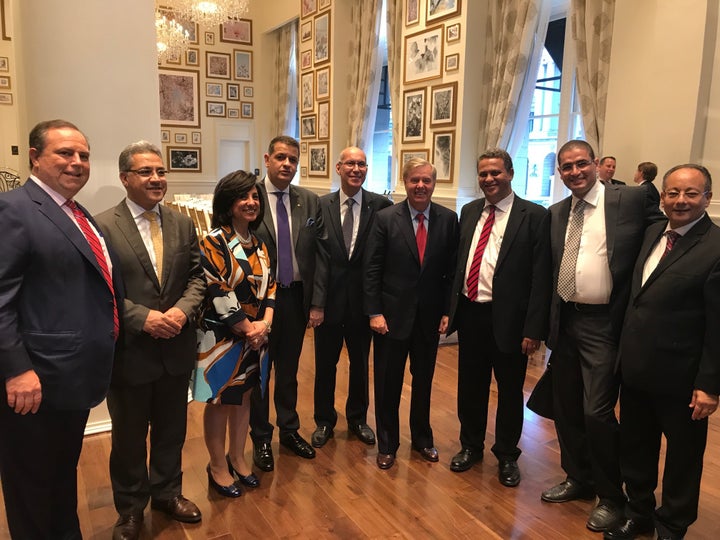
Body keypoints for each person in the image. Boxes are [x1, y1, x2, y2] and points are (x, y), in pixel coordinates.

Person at [0, 119, 118, 539]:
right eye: (65, 153)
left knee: (60, 477)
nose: (77, 162)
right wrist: (16, 369)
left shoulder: (77, 212)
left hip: (71, 377)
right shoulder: (13, 209)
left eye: (83, 155)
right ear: (35, 157)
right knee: (31, 486)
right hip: (33, 383)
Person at [542, 140, 663, 532]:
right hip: (566, 320)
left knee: (596, 411)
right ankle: (578, 477)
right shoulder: (557, 212)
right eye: (566, 167)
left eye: (581, 164)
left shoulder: (626, 200)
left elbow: (662, 233)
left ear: (595, 164)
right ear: (558, 173)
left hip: (605, 325)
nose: (574, 172)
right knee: (566, 407)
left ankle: (611, 496)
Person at [95, 141, 205, 540]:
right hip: (131, 352)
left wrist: (181, 311)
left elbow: (198, 277)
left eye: (160, 171)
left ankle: (167, 493)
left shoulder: (182, 222)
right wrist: (142, 318)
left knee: (171, 430)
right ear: (125, 178)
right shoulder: (102, 226)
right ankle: (129, 509)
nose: (156, 178)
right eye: (145, 172)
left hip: (176, 347)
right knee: (127, 436)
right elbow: (99, 289)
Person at [604, 165, 720, 540]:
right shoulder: (654, 232)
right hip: (637, 370)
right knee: (636, 448)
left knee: (683, 458)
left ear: (708, 197)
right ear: (662, 196)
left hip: (684, 379)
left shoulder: (716, 248)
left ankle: (672, 523)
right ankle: (638, 512)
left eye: (690, 193)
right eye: (672, 193)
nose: (680, 201)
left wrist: (709, 385)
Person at [446, 149, 551, 487]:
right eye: (483, 174)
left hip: (511, 321)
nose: (489, 179)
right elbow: (460, 263)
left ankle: (506, 454)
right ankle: (470, 446)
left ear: (510, 173)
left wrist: (534, 328)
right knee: (470, 388)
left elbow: (541, 277)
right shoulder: (469, 210)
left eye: (495, 173)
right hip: (471, 313)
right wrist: (451, 312)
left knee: (509, 392)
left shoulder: (534, 215)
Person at [364, 158, 459, 470]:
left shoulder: (448, 219)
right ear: (404, 182)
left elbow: (451, 272)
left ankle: (422, 439)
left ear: (435, 184)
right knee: (388, 383)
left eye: (427, 180)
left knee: (424, 382)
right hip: (390, 319)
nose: (421, 186)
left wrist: (448, 312)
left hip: (428, 319)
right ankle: (388, 444)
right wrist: (374, 312)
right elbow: (372, 269)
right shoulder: (385, 218)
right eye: (414, 180)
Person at [195, 170, 275, 497]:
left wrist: (265, 325)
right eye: (243, 196)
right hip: (224, 338)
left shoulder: (258, 244)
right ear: (229, 203)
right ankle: (216, 465)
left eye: (255, 196)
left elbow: (271, 289)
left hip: (257, 337)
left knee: (243, 398)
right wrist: (246, 328)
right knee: (219, 401)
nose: (251, 202)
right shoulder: (212, 240)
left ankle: (238, 458)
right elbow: (218, 290)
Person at [249, 135, 327, 471]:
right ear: (267, 159)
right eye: (280, 157)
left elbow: (321, 256)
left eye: (293, 160)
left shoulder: (309, 201)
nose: (287, 165)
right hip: (259, 301)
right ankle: (261, 437)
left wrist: (317, 302)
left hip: (295, 297)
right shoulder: (249, 197)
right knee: (260, 371)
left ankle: (289, 430)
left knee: (290, 369)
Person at [311, 147, 392, 448]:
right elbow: (316, 258)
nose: (356, 169)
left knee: (360, 365)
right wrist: (316, 304)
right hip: (328, 304)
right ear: (338, 167)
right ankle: (324, 421)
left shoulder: (381, 206)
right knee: (325, 365)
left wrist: (378, 306)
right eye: (350, 164)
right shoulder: (321, 206)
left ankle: (358, 419)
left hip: (364, 304)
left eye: (361, 164)